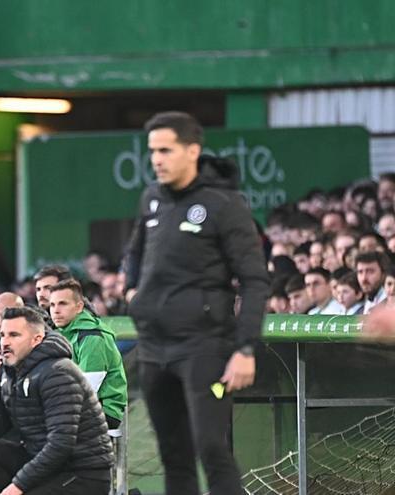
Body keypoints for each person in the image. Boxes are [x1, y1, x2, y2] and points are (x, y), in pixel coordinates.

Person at [124, 111, 270, 495]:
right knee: (173, 455)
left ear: (192, 150)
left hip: (205, 348)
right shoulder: (151, 198)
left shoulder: (224, 205)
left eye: (166, 150)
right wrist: (131, 291)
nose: (157, 159)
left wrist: (246, 349)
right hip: (155, 349)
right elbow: (134, 253)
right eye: (153, 151)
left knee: (211, 447)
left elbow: (255, 281)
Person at [0, 306, 113, 495]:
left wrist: (18, 486)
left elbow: (61, 444)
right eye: (2, 335)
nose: (5, 342)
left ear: (36, 339)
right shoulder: (13, 372)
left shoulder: (58, 372)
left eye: (14, 335)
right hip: (45, 463)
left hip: (81, 473)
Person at [48, 279, 127, 430]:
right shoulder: (59, 333)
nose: (56, 310)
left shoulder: (92, 337)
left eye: (63, 304)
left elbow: (87, 389)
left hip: (103, 410)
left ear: (79, 307)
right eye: (52, 305)